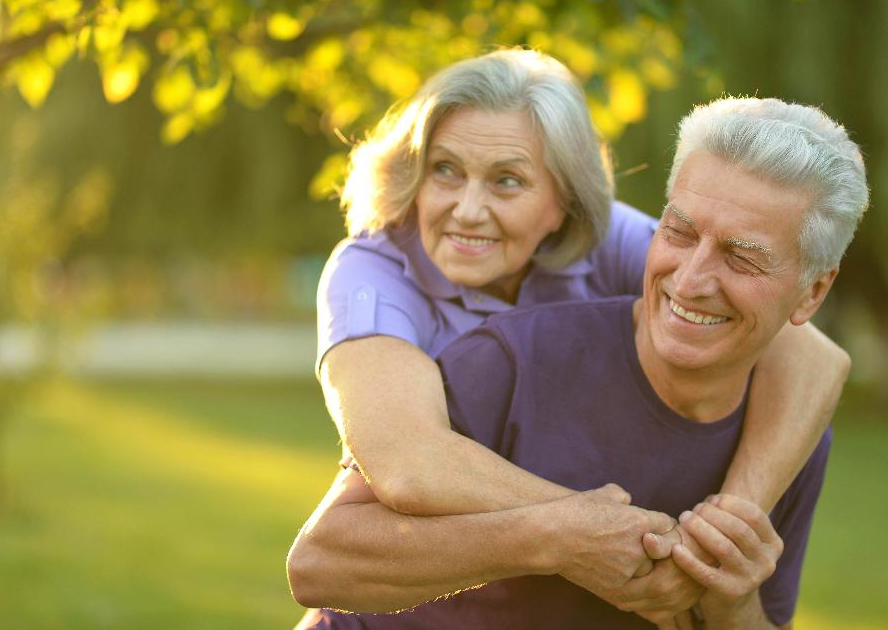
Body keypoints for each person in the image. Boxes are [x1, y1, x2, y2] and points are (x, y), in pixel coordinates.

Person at [288, 96, 870, 628]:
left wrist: (731, 600)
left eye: (742, 259)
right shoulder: (509, 359)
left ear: (812, 294)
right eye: (679, 232)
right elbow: (318, 563)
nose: (690, 280)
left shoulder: (787, 438)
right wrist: (555, 537)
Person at [314, 48, 848, 530]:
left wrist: (736, 517)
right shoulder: (371, 271)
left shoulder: (606, 236)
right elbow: (411, 467)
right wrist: (602, 530)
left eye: (507, 180)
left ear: (564, 200)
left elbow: (812, 356)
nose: (468, 209)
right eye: (445, 171)